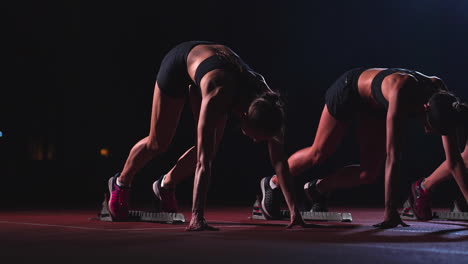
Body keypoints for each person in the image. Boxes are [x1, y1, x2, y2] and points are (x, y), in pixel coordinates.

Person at [107, 41, 305, 231]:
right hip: (180, 64)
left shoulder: (270, 105)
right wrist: (197, 217)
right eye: (257, 137)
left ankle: (165, 185)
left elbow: (280, 162)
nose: (255, 141)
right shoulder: (218, 94)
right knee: (159, 143)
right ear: (244, 117)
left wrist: (294, 212)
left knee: (212, 147)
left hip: (215, 70)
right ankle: (121, 182)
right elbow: (203, 162)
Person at [260, 67, 468, 228]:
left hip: (375, 106)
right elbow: (393, 156)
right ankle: (272, 183)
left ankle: (317, 189)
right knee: (319, 153)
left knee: (368, 174)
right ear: (424, 107)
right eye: (427, 125)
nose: (426, 131)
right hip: (350, 90)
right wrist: (390, 211)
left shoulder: (444, 101)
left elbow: (454, 161)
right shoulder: (401, 90)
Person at [409, 120, 468, 220]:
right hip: (450, 110)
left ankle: (424, 186)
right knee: (465, 159)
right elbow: (453, 161)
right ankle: (424, 186)